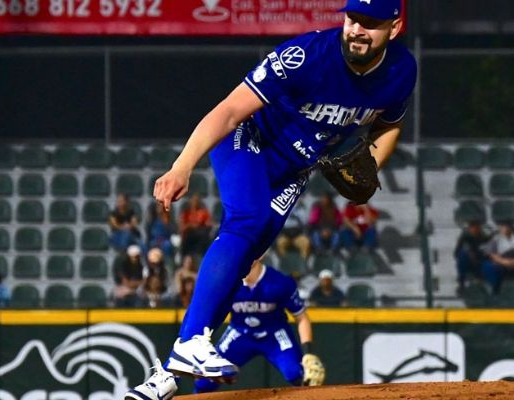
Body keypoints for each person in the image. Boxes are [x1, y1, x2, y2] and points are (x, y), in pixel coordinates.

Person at [128, 0, 415, 396]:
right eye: (352, 18)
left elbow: (390, 123)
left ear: (395, 28)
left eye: (370, 22)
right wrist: (182, 165)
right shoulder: (305, 56)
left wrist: (373, 168)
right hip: (248, 139)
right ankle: (190, 345)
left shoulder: (401, 71)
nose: (357, 29)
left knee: (244, 255)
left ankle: (168, 375)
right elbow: (229, 111)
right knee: (246, 221)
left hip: (294, 170)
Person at [194, 259, 324, 393]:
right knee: (205, 379)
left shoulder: (280, 282)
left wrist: (308, 353)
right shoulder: (225, 282)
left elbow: (301, 317)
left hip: (274, 333)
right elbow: (207, 315)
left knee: (298, 374)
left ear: (261, 253)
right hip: (240, 333)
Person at [480, 223, 514, 294]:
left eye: (507, 227)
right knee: (491, 267)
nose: (506, 229)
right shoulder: (495, 239)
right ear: (500, 228)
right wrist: (504, 262)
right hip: (502, 262)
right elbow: (491, 254)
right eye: (503, 227)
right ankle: (495, 289)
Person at [453, 220, 491, 292]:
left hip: (481, 263)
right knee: (462, 256)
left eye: (477, 227)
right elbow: (456, 253)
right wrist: (468, 252)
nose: (475, 229)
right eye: (472, 227)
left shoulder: (484, 238)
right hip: (468, 264)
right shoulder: (465, 238)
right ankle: (462, 284)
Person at [179, 193, 213, 257]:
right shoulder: (186, 213)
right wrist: (191, 225)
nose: (195, 202)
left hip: (200, 235)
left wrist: (201, 225)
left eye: (197, 200)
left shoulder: (203, 212)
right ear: (190, 201)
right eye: (194, 200)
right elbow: (182, 228)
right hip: (189, 236)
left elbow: (209, 224)